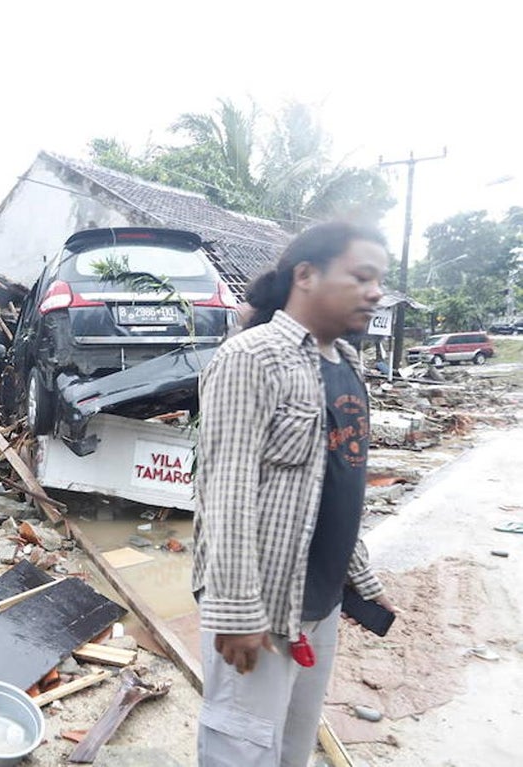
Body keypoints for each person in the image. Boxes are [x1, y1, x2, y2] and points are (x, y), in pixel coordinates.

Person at [191, 221, 397, 766]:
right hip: (258, 605)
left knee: (292, 747)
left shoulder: (347, 364)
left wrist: (362, 579)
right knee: (240, 749)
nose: (376, 291)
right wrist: (237, 609)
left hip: (318, 604)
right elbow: (224, 488)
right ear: (306, 275)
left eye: (379, 279)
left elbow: (339, 480)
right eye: (362, 276)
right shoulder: (251, 359)